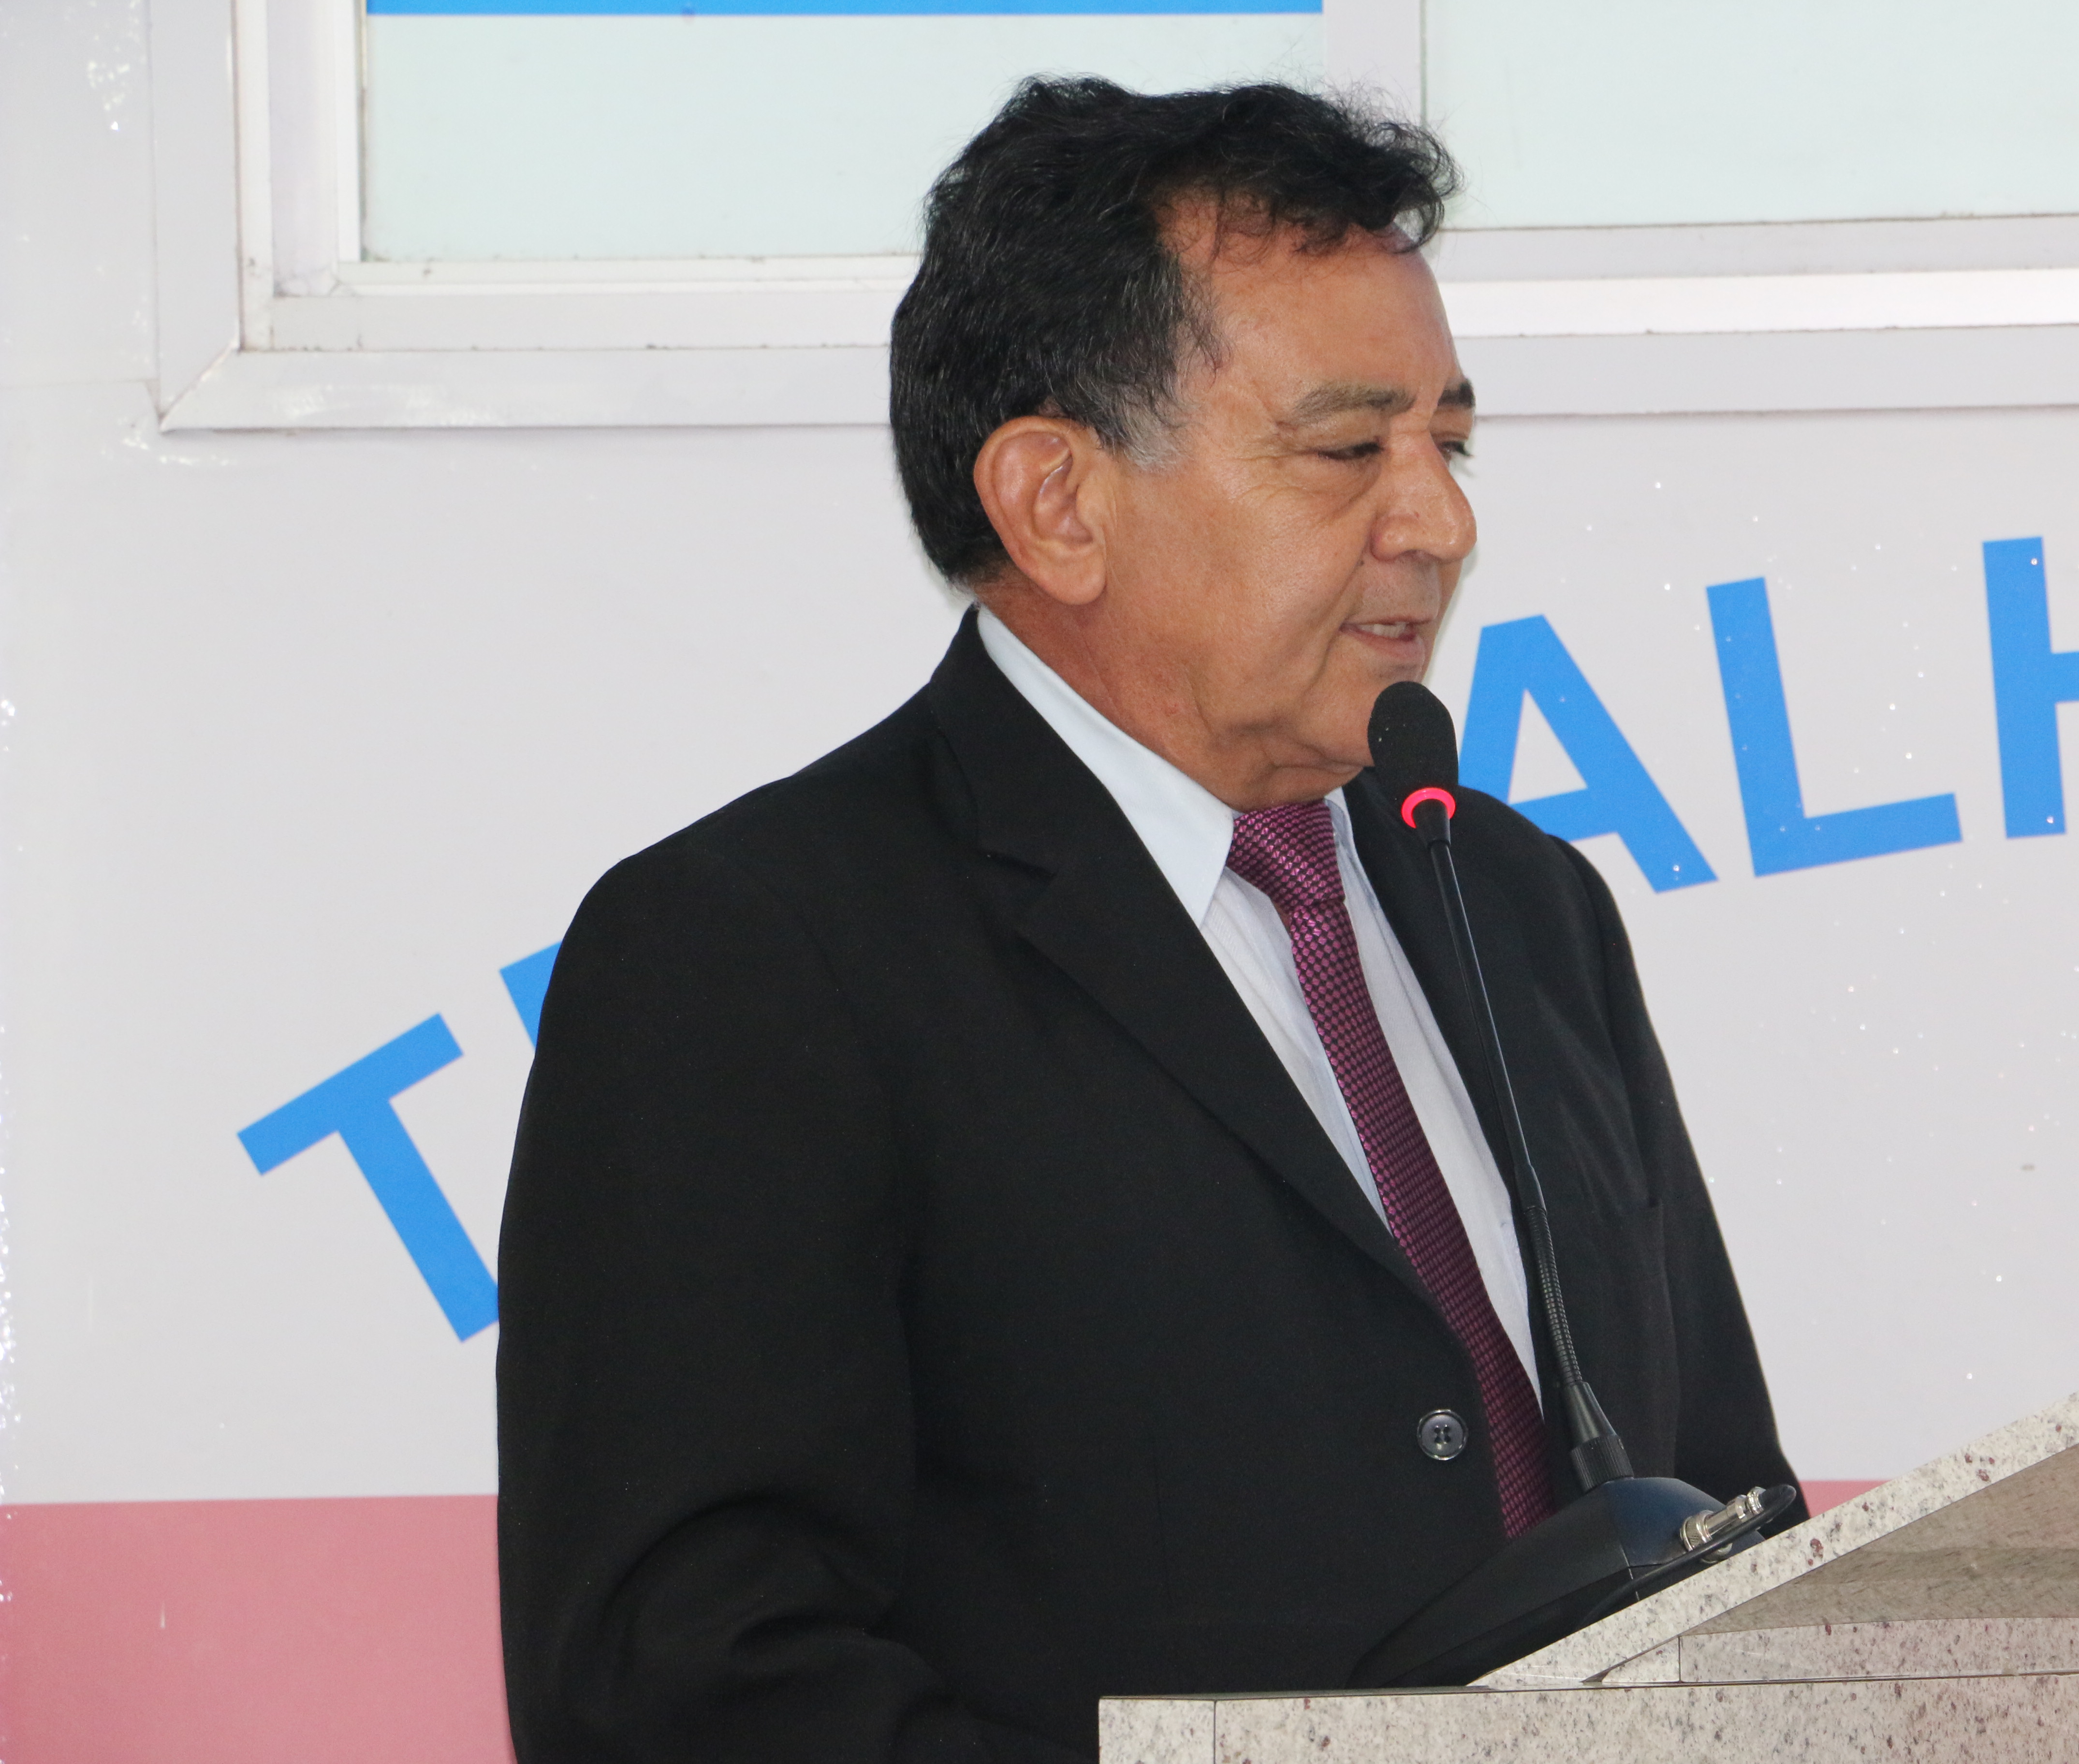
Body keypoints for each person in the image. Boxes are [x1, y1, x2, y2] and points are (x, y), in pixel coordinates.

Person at [495, 77, 1803, 1764]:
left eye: (1451, 444)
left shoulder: (1521, 904)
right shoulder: (754, 956)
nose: (1442, 523)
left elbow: (1720, 1510)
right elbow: (684, 1682)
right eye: (1350, 451)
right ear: (1058, 502)